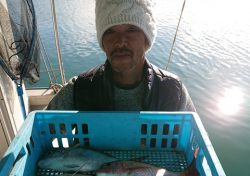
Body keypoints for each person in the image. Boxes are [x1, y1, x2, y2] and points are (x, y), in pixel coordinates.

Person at [47, 0, 196, 112]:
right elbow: (40, 132)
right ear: (103, 42)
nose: (120, 41)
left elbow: (195, 146)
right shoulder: (79, 89)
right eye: (110, 31)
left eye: (131, 29)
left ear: (147, 39)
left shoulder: (173, 92)